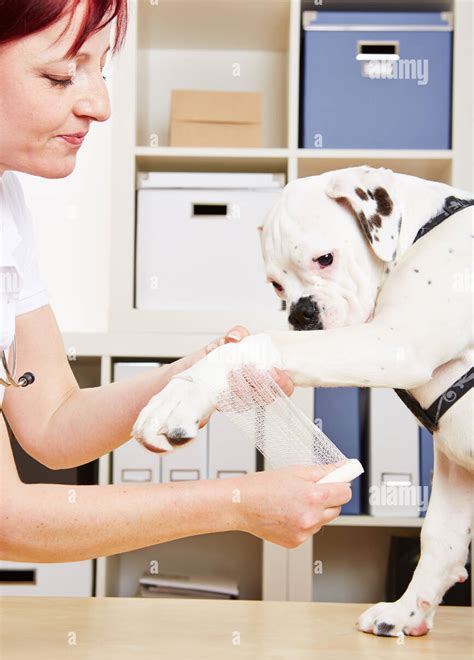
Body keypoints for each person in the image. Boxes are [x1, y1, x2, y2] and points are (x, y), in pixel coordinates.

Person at [0, 0, 351, 564]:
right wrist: (236, 505)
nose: (101, 106)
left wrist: (193, 374)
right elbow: (7, 518)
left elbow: (51, 420)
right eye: (60, 75)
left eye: (99, 71)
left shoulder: (6, 203)